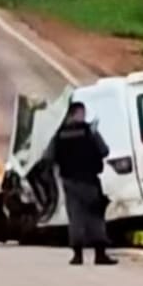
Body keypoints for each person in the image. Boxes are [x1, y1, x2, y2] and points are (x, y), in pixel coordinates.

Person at [51, 101, 117, 266]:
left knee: (76, 217)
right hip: (89, 181)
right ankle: (100, 254)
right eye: (82, 113)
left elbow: (49, 156)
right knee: (95, 217)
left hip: (70, 181)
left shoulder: (59, 133)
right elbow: (104, 150)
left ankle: (77, 255)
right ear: (76, 113)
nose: (83, 116)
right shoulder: (89, 130)